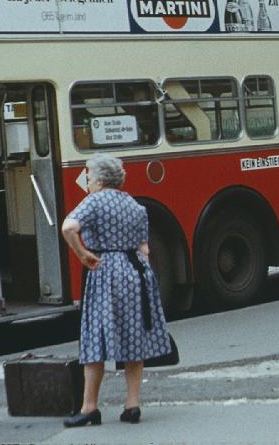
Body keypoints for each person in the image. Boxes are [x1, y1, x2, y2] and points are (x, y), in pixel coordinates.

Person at [60, 153, 173, 427]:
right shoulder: (134, 205)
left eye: (88, 177)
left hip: (105, 271)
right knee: (134, 338)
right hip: (136, 273)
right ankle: (132, 405)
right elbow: (144, 249)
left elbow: (69, 227)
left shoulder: (94, 201)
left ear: (99, 180)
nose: (87, 181)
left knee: (95, 338)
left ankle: (90, 408)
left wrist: (83, 254)